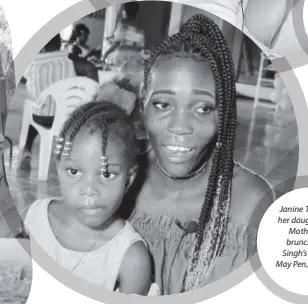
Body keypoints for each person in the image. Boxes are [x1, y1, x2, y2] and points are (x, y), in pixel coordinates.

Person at [125, 14, 276, 295]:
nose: (180, 127)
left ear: (225, 111)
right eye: (162, 104)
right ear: (143, 99)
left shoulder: (253, 205)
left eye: (203, 108)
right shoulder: (119, 179)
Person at [20, 82, 156, 295]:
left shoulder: (130, 258)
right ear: (59, 168)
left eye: (106, 174)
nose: (89, 190)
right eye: (74, 172)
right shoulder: (31, 219)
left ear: (129, 179)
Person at [19, 34, 76, 171]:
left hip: (41, 118)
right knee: (44, 111)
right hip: (65, 119)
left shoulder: (33, 63)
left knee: (31, 115)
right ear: (58, 45)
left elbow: (22, 79)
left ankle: (27, 151)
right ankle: (66, 156)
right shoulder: (69, 63)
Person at [102, 2, 145, 70]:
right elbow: (140, 46)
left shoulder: (123, 23)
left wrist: (106, 54)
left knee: (117, 77)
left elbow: (117, 42)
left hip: (122, 57)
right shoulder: (140, 27)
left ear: (125, 11)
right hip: (135, 57)